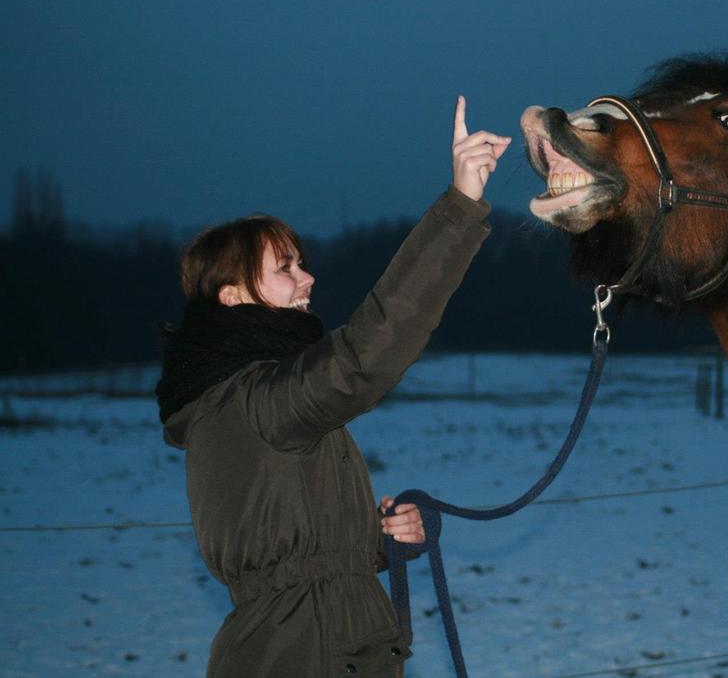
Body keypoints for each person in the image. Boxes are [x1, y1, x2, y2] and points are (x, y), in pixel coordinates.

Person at [156, 97, 510, 677]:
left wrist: (380, 539)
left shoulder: (244, 400)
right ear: (235, 296)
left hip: (329, 639)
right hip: (305, 651)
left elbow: (289, 540)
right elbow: (367, 352)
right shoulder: (251, 399)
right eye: (286, 268)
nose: (308, 277)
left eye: (302, 262)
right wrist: (460, 205)